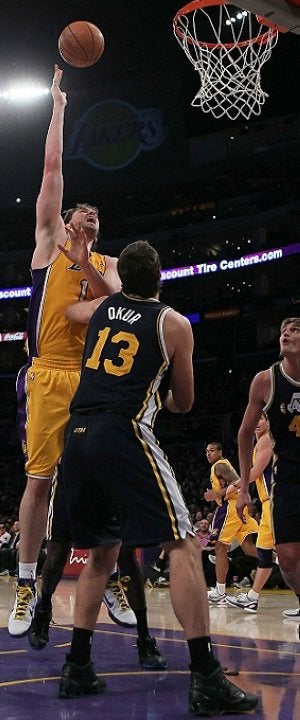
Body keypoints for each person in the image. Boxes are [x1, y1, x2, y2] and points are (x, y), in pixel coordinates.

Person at [56, 239, 258, 714]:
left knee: (101, 551)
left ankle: (78, 667)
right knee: (184, 543)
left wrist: (82, 263)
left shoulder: (103, 307)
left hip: (77, 434)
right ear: (161, 276)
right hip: (123, 430)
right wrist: (161, 405)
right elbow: (184, 401)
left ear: (122, 279)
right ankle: (206, 677)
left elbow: (71, 311)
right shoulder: (172, 323)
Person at [8, 65, 120, 638]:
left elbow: (115, 301)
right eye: (81, 211)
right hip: (49, 375)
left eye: (96, 215)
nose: (88, 214)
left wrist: (85, 257)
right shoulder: (49, 245)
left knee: (102, 480)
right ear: (64, 219)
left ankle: (113, 573)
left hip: (96, 378)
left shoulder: (109, 265)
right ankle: (26, 584)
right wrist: (58, 109)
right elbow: (52, 171)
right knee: (39, 482)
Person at [29, 464, 167, 670]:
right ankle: (44, 608)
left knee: (126, 554)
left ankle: (144, 637)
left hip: (113, 475)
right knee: (58, 552)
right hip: (71, 475)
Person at [237, 317, 300, 620]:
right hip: (288, 478)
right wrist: (241, 493)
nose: (285, 334)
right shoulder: (266, 380)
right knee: (286, 559)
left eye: (294, 330)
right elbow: (243, 433)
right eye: (282, 331)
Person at [226, 412, 275, 612]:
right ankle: (252, 598)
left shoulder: (267, 440)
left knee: (286, 554)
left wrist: (234, 486)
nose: (256, 423)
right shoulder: (260, 442)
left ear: (268, 421)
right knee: (264, 553)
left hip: (276, 501)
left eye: (260, 419)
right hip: (267, 505)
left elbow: (256, 472)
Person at [204, 443, 258, 605]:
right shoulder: (222, 465)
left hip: (230, 507)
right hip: (240, 508)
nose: (208, 454)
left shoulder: (219, 465)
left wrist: (217, 494)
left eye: (212, 451)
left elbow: (239, 482)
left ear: (220, 452)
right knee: (249, 548)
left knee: (220, 547)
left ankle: (220, 591)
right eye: (206, 451)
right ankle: (280, 560)